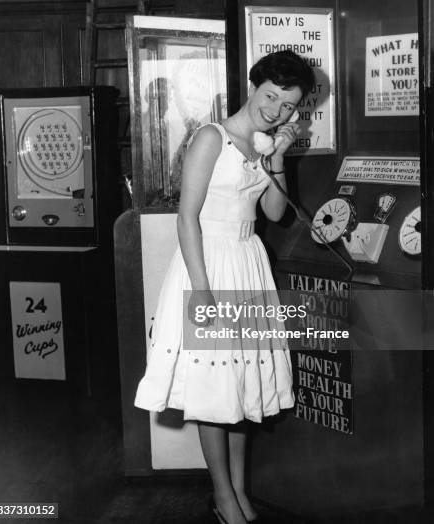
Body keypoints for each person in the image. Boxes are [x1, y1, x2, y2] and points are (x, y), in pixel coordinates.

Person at [135, 50, 315, 524]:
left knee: (241, 385)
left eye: (287, 105)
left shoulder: (263, 142)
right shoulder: (211, 138)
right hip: (208, 266)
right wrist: (202, 290)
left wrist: (277, 155)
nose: (276, 110)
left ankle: (237, 489)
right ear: (252, 86)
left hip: (248, 262)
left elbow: (274, 213)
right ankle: (222, 496)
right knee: (214, 388)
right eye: (271, 96)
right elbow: (187, 217)